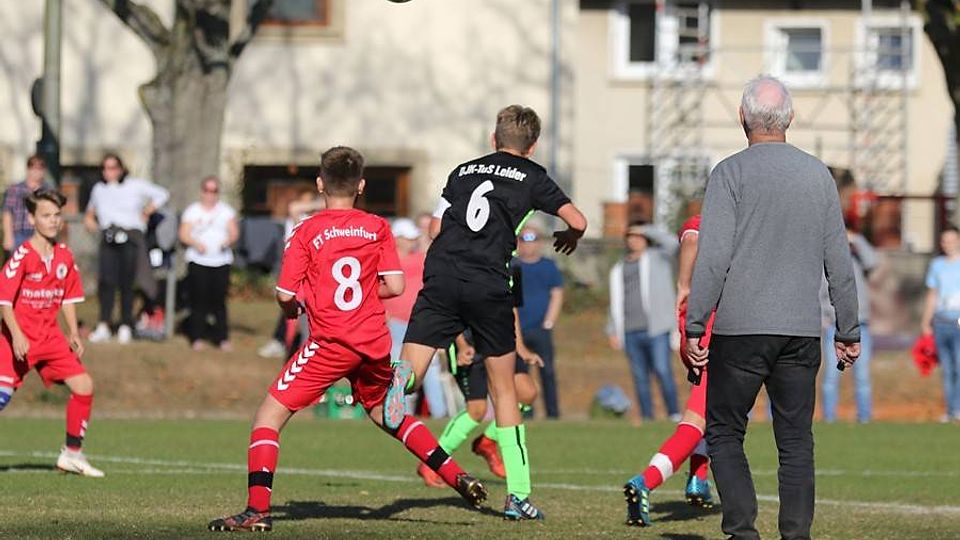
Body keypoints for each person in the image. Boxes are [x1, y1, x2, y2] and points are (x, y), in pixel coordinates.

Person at [208, 147, 486, 533]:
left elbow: (286, 293)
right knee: (385, 414)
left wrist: (294, 309)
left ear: (320, 184)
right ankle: (456, 475)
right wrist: (362, 295)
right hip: (373, 341)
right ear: (361, 186)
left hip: (331, 342)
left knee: (268, 417)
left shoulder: (307, 230)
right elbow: (395, 285)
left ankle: (257, 510)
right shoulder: (377, 227)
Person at [382, 105, 587, 520]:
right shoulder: (533, 175)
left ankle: (401, 380)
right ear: (532, 146)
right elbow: (578, 220)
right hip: (488, 283)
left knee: (414, 366)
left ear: (493, 140)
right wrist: (570, 234)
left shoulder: (462, 171)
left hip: (442, 275)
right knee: (504, 390)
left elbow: (435, 228)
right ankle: (518, 497)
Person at [685, 76, 860, 540]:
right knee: (796, 441)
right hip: (800, 330)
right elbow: (839, 261)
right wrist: (848, 329)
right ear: (791, 119)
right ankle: (796, 535)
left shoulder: (729, 173)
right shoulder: (817, 175)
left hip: (739, 330)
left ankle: (742, 532)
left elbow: (713, 258)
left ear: (742, 116)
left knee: (725, 433)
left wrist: (695, 325)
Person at [0, 189, 103, 477]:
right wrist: (17, 335)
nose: (53, 220)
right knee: (1, 397)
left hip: (49, 337)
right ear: (32, 219)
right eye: (46, 215)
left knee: (84, 386)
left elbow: (68, 297)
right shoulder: (22, 255)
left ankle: (72, 454)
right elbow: (4, 301)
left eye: (57, 215)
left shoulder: (64, 256)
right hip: (17, 338)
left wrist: (73, 332)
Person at [624, 214, 713, 527]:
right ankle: (645, 482)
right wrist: (684, 285)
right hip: (715, 324)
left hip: (694, 323)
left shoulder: (716, 216)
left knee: (715, 410)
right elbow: (692, 239)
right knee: (699, 417)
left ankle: (699, 478)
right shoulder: (722, 218)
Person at [84, 153, 169, 344]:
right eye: (106, 168)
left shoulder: (134, 185)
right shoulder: (99, 189)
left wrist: (147, 211)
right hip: (108, 237)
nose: (109, 172)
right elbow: (91, 211)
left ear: (121, 169)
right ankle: (104, 324)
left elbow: (162, 194)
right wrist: (90, 220)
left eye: (113, 167)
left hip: (130, 237)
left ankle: (125, 324)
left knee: (126, 283)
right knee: (106, 282)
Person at [606, 222, 681, 422]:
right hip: (630, 330)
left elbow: (673, 244)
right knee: (640, 376)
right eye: (631, 236)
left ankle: (674, 413)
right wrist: (612, 329)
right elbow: (615, 301)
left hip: (657, 327)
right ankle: (648, 416)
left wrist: (646, 229)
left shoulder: (658, 258)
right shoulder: (619, 268)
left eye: (638, 237)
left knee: (663, 370)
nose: (634, 240)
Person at [381, 217, 447, 418]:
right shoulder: (385, 261)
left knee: (429, 369)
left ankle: (439, 413)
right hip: (394, 324)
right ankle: (401, 413)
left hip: (420, 322)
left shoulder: (420, 258)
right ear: (397, 239)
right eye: (408, 238)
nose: (412, 241)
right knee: (398, 369)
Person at [257, 190, 324, 359]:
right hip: (298, 271)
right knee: (292, 310)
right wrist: (322, 202)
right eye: (305, 201)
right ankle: (284, 344)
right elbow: (294, 208)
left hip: (314, 275)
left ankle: (289, 345)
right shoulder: (303, 221)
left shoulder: (320, 222)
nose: (308, 205)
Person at [821, 222, 877, 423]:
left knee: (862, 376)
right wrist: (824, 316)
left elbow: (873, 261)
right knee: (832, 374)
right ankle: (829, 418)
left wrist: (856, 239)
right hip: (834, 324)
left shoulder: (857, 258)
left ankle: (864, 417)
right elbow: (821, 291)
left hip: (860, 323)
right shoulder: (826, 259)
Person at [179, 176, 239, 351]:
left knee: (219, 301)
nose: (210, 194)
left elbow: (234, 233)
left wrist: (227, 241)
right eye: (207, 190)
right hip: (198, 261)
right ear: (202, 191)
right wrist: (196, 243)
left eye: (214, 191)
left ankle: (222, 337)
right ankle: (196, 336)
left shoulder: (226, 211)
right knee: (198, 300)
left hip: (221, 261)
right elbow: (183, 234)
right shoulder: (192, 211)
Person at [513, 224, 564, 418]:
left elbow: (557, 293)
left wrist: (549, 322)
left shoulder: (548, 266)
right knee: (521, 374)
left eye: (533, 239)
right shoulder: (513, 266)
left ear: (540, 242)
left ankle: (553, 414)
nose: (528, 245)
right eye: (524, 239)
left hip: (540, 330)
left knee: (547, 372)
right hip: (518, 331)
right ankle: (527, 413)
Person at [921, 224, 960, 422]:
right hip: (941, 322)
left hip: (958, 321)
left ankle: (958, 408)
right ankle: (950, 410)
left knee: (959, 367)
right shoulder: (937, 265)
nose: (948, 244)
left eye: (952, 240)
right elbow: (932, 295)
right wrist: (926, 321)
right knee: (946, 369)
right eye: (945, 240)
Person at [2, 154, 54, 254]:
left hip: (41, 234)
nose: (36, 172)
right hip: (19, 235)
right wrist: (8, 236)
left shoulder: (48, 191)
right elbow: (7, 213)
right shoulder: (15, 189)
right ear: (28, 169)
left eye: (40, 168)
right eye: (33, 168)